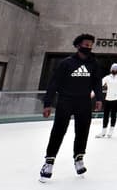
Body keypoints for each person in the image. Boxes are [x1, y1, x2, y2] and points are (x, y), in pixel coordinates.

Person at [40, 34, 103, 182]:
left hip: (84, 102)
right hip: (65, 101)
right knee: (58, 130)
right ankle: (49, 162)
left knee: (82, 131)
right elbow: (53, 83)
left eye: (90, 45)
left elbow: (97, 83)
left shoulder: (93, 64)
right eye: (85, 45)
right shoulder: (66, 63)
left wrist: (99, 98)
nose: (88, 47)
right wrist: (47, 103)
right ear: (77, 45)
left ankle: (79, 158)